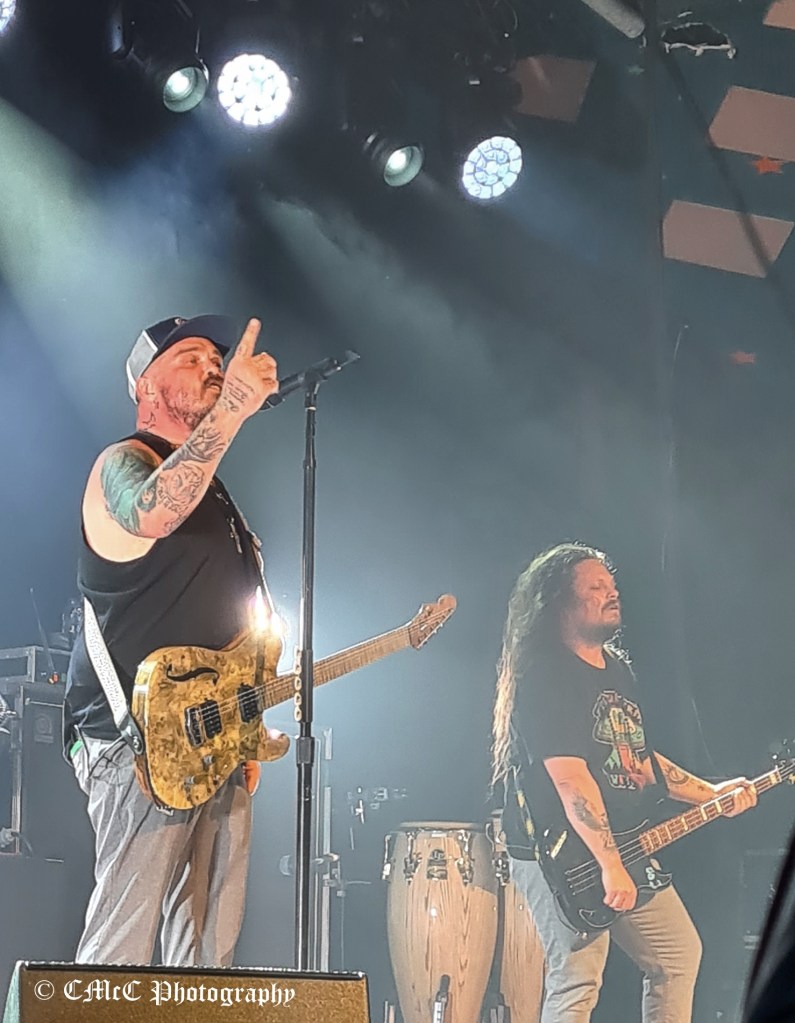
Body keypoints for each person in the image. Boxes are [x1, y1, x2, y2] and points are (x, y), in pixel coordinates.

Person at [63, 314, 279, 967]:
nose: (212, 367)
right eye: (190, 357)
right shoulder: (122, 464)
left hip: (216, 741)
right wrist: (233, 408)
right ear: (145, 385)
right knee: (120, 954)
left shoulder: (218, 496)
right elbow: (152, 511)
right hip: (138, 743)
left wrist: (245, 724)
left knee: (207, 958)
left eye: (217, 359)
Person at [492, 542, 758, 1023]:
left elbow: (637, 758)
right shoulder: (548, 675)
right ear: (559, 602)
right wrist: (611, 866)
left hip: (620, 842)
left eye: (612, 586)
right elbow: (571, 780)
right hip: (559, 852)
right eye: (596, 587)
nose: (612, 594)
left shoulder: (615, 669)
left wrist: (712, 794)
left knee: (677, 955)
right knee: (577, 980)